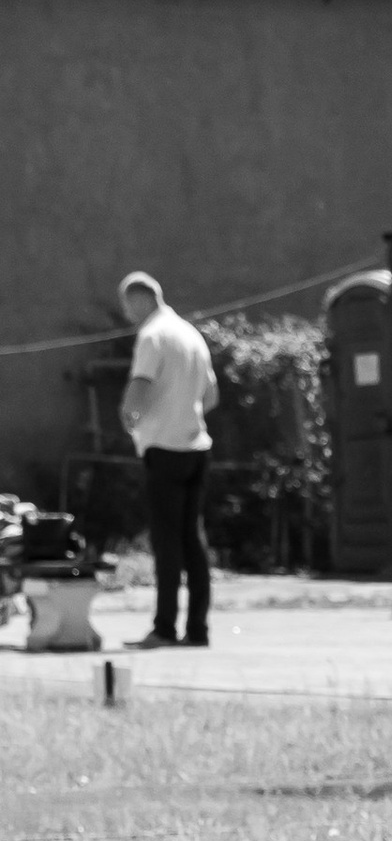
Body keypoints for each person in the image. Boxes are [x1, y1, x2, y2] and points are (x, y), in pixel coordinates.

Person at [117, 271, 218, 649]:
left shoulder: (152, 335)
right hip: (197, 447)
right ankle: (198, 629)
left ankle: (164, 628)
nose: (127, 314)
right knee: (193, 538)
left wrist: (130, 420)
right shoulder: (191, 334)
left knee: (167, 541)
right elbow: (211, 395)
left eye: (127, 305)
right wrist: (184, 413)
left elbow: (139, 388)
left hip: (164, 448)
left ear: (140, 299)